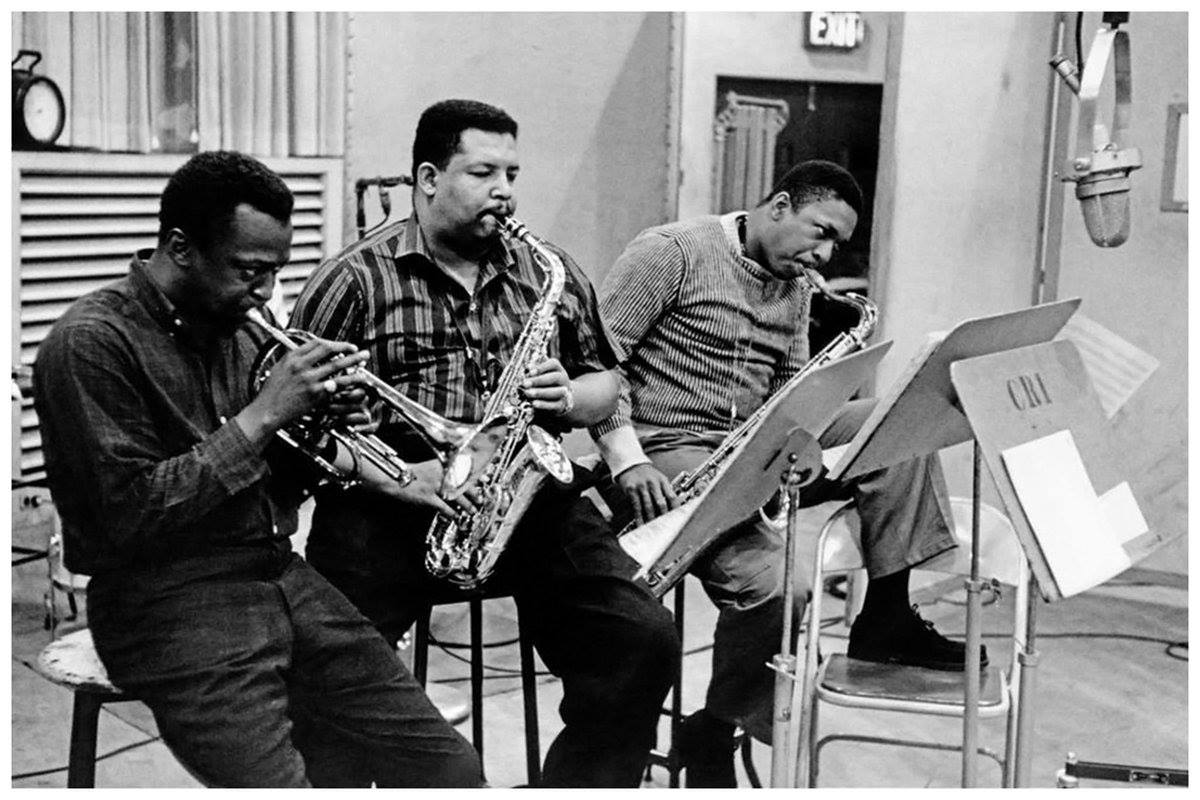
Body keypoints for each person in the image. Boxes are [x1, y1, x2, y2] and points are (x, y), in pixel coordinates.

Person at [33, 151, 483, 788]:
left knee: (450, 768)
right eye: (249, 271)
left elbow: (276, 482)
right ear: (181, 248)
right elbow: (126, 518)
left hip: (275, 573)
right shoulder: (92, 343)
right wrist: (266, 415)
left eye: (275, 272)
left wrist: (320, 422)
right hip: (165, 601)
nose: (267, 293)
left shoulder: (242, 334)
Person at [288, 98, 680, 788]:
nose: (504, 190)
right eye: (483, 171)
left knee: (642, 639)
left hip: (526, 496)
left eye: (511, 171)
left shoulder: (546, 270)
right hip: (392, 501)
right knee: (332, 673)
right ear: (429, 177)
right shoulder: (353, 279)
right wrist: (403, 475)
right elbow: (299, 422)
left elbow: (606, 383)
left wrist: (572, 395)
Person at [587, 160, 984, 787]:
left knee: (897, 423)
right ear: (778, 205)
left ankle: (885, 617)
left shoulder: (796, 284)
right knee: (780, 583)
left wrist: (800, 437)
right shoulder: (671, 251)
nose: (824, 255)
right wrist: (628, 460)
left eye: (836, 245)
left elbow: (795, 390)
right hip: (668, 444)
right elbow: (593, 364)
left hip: (759, 438)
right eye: (819, 232)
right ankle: (715, 728)